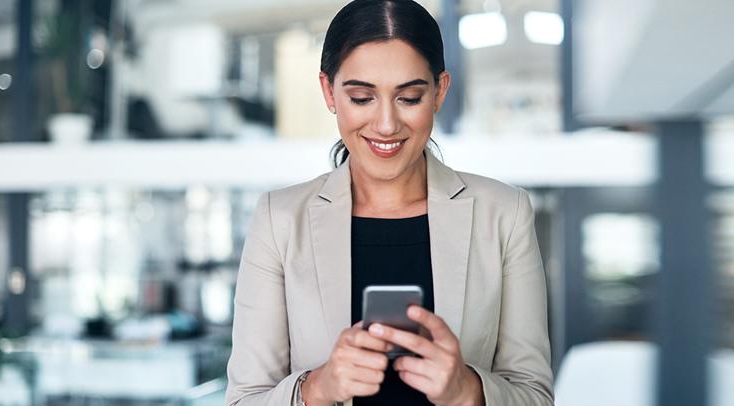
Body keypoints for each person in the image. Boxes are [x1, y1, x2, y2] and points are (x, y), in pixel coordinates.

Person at [225, 1, 553, 405]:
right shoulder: (279, 219)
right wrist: (318, 388)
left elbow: (535, 395)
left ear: (440, 91)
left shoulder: (504, 214)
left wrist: (468, 390)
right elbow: (244, 399)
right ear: (329, 91)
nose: (385, 125)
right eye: (362, 98)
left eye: (409, 98)